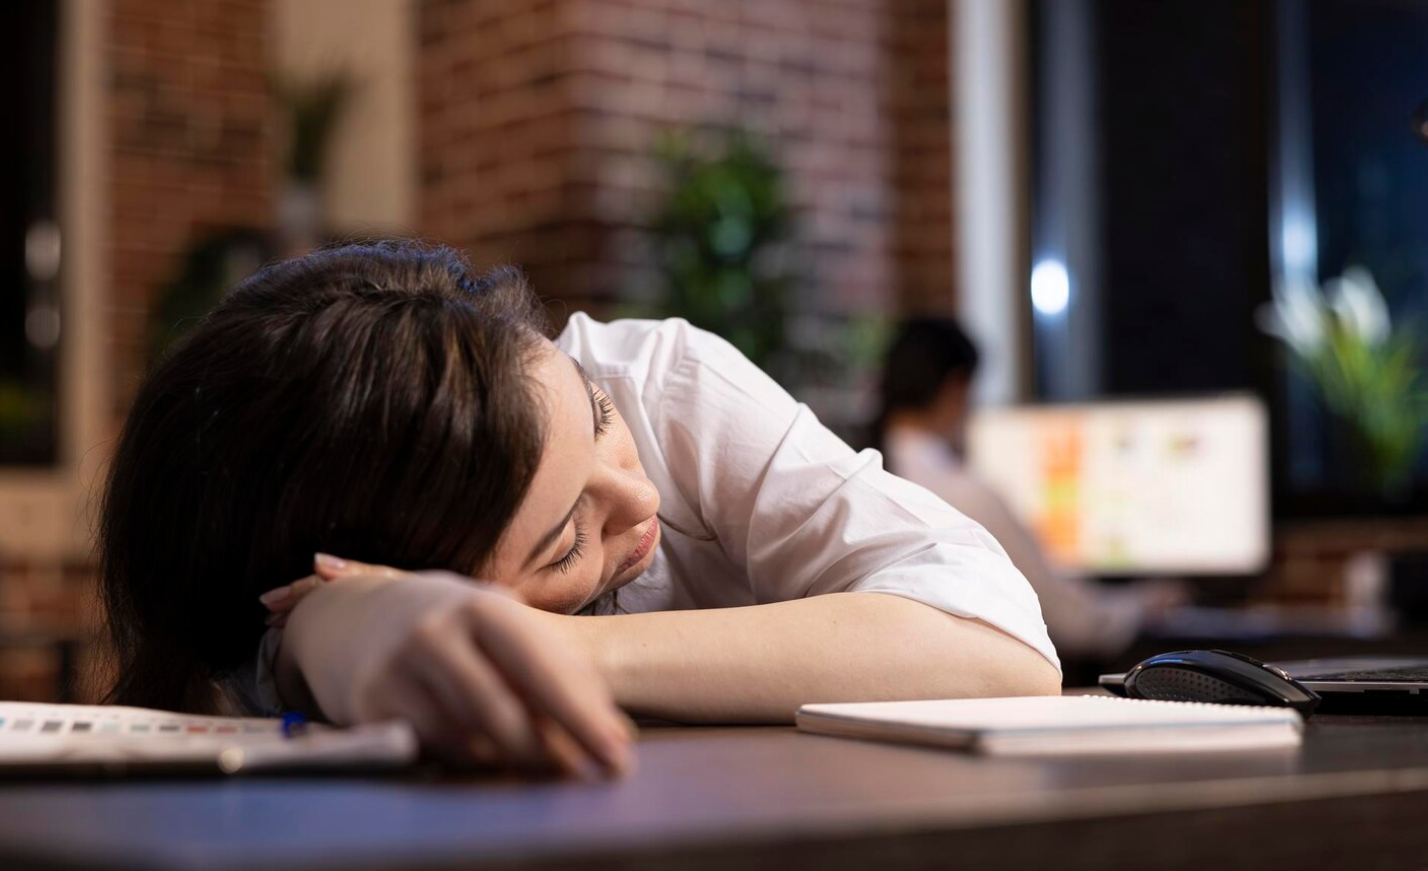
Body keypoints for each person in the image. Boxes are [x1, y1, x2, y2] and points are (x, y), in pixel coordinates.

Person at [100, 241, 1060, 778]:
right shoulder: (246, 595)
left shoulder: (660, 384)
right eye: (564, 542)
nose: (637, 500)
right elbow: (299, 647)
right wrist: (343, 627)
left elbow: (999, 645)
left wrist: (561, 645)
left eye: (597, 420)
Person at [871, 319, 1184, 663]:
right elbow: (1070, 623)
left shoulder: (865, 479)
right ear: (955, 388)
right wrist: (1142, 604)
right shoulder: (967, 496)